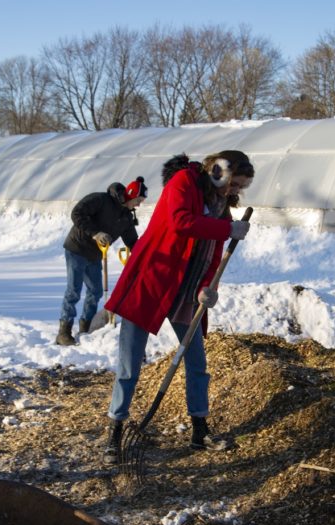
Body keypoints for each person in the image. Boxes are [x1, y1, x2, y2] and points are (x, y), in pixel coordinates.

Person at [101, 151, 253, 463]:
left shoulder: (221, 206)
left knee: (196, 360)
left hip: (187, 291)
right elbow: (181, 222)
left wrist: (207, 288)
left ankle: (200, 430)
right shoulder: (183, 182)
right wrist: (228, 230)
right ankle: (114, 432)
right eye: (236, 183)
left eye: (241, 187)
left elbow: (213, 255)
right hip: (153, 281)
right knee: (130, 364)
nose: (237, 191)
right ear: (221, 173)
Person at [56, 177, 145, 345]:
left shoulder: (126, 217)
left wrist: (145, 255)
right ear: (131, 195)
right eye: (138, 200)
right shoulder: (101, 200)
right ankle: (64, 332)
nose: (139, 205)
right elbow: (77, 213)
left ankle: (85, 328)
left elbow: (133, 241)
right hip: (77, 247)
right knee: (74, 290)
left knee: (96, 291)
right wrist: (95, 233)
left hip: (95, 254)